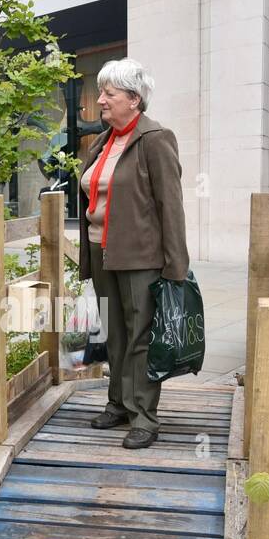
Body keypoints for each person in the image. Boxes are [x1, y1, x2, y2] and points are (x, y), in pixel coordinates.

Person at [76, 58, 189, 449]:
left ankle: (144, 416)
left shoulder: (155, 139)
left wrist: (176, 265)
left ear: (134, 99)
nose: (101, 101)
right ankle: (119, 403)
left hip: (141, 257)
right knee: (115, 334)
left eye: (109, 93)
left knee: (140, 336)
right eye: (102, 92)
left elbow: (170, 206)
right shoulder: (103, 142)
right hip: (102, 252)